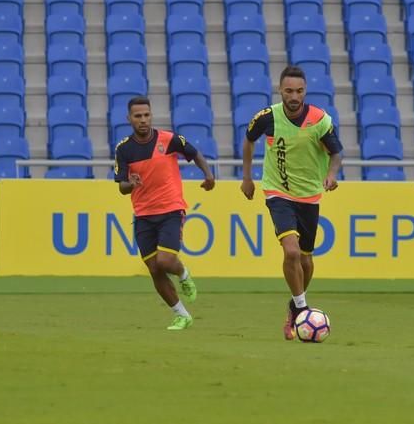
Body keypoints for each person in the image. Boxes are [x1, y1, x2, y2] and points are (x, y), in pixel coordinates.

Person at [240, 66, 343, 340]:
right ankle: (302, 309)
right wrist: (247, 177)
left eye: (299, 91)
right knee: (292, 252)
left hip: (309, 194)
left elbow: (336, 153)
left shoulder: (320, 120)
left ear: (305, 91)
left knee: (306, 261)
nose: (294, 96)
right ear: (280, 90)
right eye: (289, 91)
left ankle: (294, 305)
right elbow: (249, 142)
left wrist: (332, 175)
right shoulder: (266, 118)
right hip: (278, 191)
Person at [114, 96, 215, 330]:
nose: (143, 120)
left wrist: (208, 174)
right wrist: (131, 182)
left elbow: (195, 153)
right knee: (154, 268)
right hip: (143, 215)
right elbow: (121, 187)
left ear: (151, 115)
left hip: (170, 209)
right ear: (129, 119)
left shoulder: (168, 139)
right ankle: (181, 315)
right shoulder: (124, 149)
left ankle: (183, 273)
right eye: (137, 116)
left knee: (166, 260)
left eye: (146, 115)